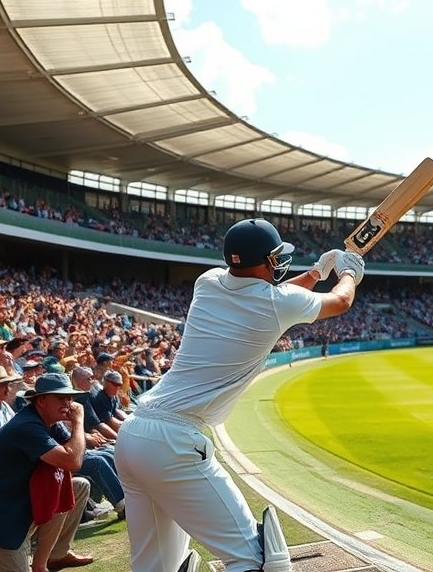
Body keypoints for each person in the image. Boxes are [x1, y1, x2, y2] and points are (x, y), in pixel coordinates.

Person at [115, 218, 363, 572]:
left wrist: (314, 274)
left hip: (133, 436)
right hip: (174, 441)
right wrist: (349, 273)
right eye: (276, 256)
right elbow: (339, 302)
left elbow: (273, 301)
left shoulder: (209, 282)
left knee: (155, 568)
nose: (281, 261)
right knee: (259, 561)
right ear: (267, 260)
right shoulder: (277, 302)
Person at [0, 373, 94, 572]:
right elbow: (72, 460)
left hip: (19, 502)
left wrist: (74, 428)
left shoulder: (48, 421)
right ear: (41, 400)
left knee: (78, 486)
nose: (68, 403)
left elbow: (71, 453)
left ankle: (48, 561)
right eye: (61, 397)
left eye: (70, 397)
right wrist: (78, 422)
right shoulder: (26, 426)